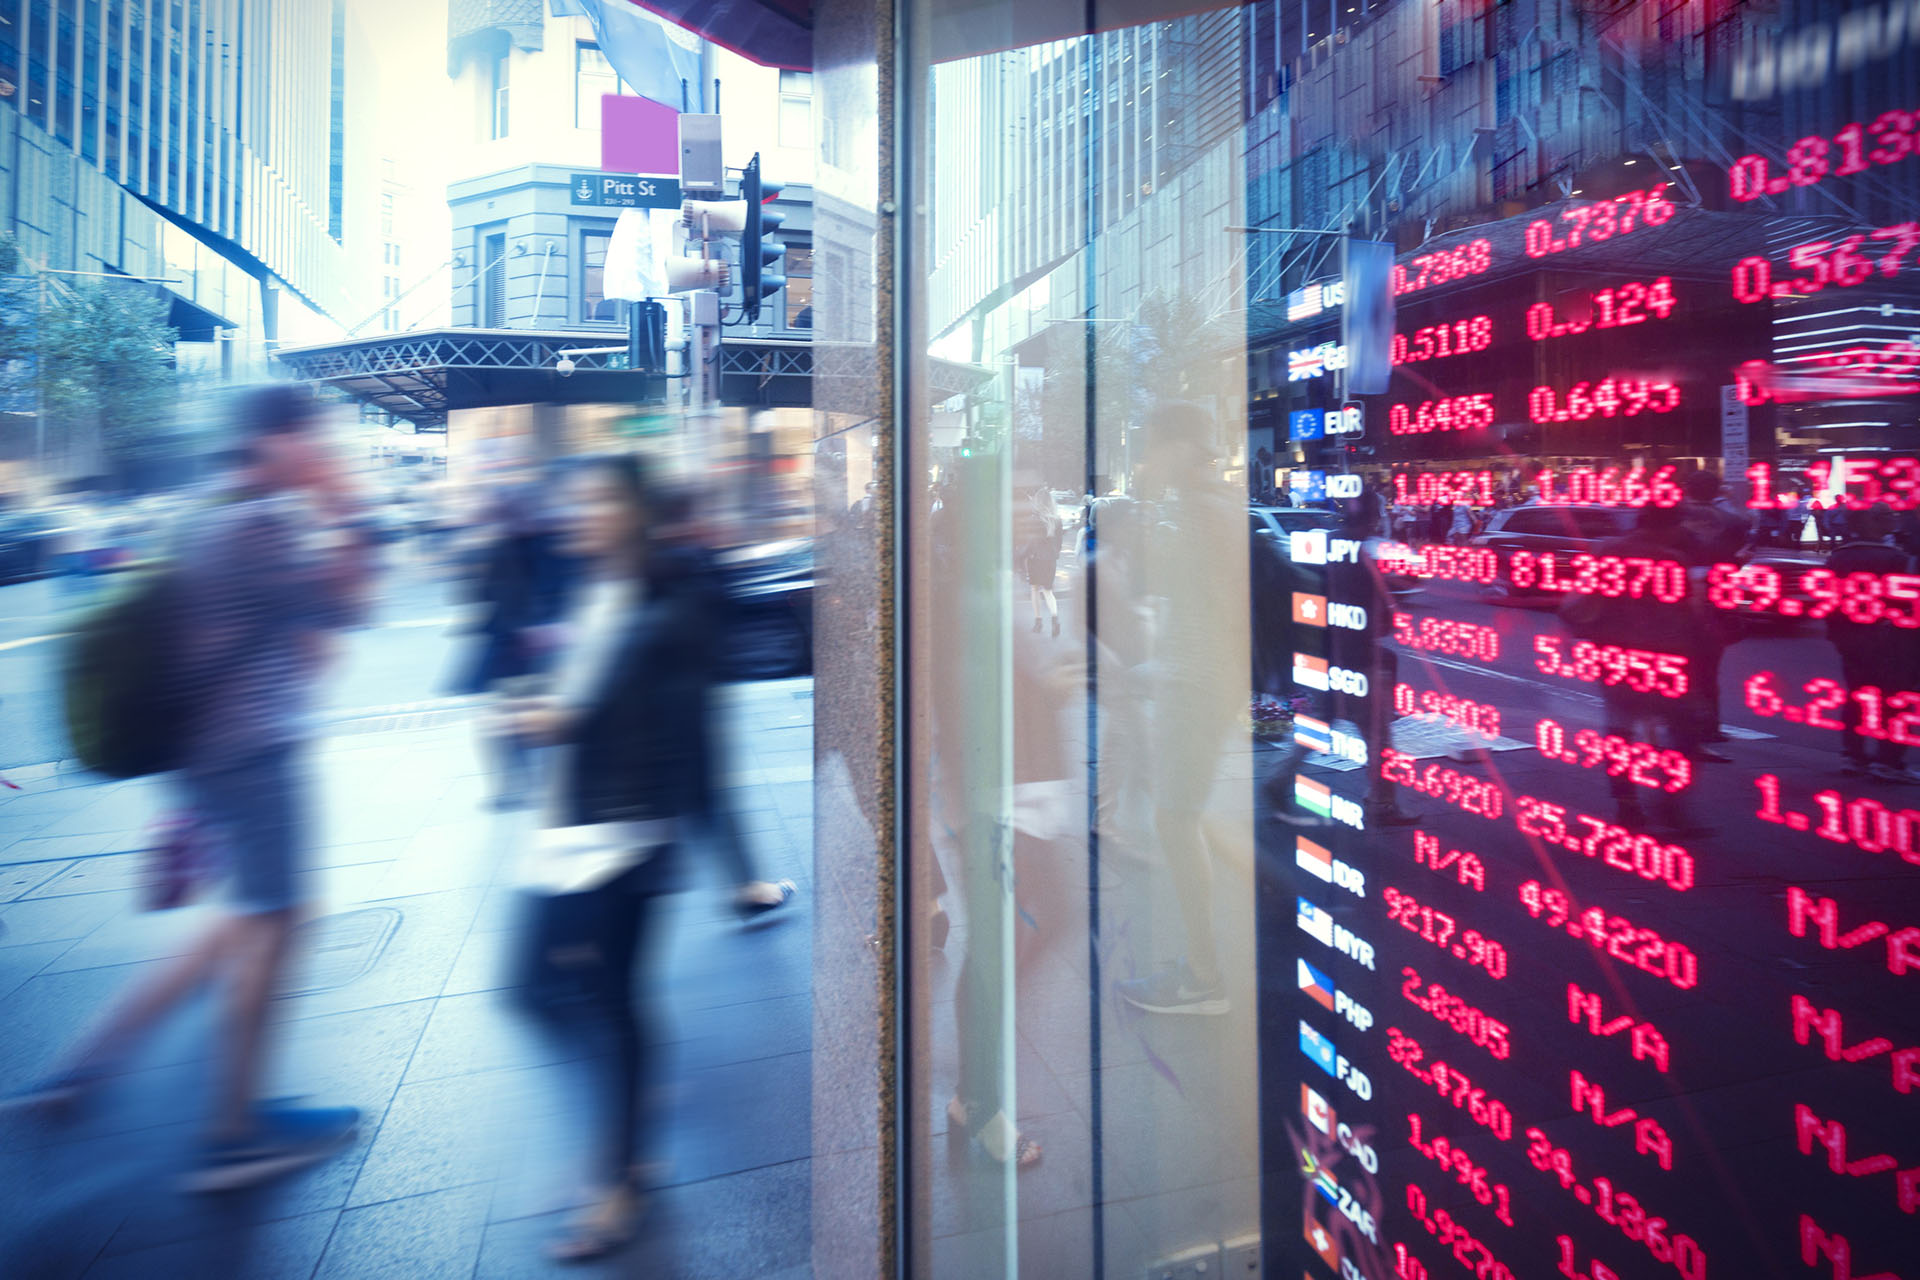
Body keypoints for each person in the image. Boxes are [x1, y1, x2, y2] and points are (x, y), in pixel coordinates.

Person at [13, 383, 373, 1191]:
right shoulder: (256, 526)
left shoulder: (211, 512)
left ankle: (83, 1069)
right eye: (316, 438)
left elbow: (279, 640)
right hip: (252, 759)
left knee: (238, 925)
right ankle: (235, 1129)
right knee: (274, 925)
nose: (325, 451)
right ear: (278, 442)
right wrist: (348, 506)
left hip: (212, 759)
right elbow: (351, 607)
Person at [503, 455, 724, 1261]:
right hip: (566, 828)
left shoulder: (662, 600)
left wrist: (543, 720)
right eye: (574, 497)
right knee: (537, 992)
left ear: (633, 512)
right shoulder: (593, 590)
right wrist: (539, 710)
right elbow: (576, 694)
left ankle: (619, 1171)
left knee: (601, 1000)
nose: (578, 511)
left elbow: (675, 728)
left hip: (619, 840)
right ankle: (623, 1137)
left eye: (596, 498)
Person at [457, 478, 573, 807]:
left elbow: (560, 593)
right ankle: (516, 785)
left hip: (536, 646)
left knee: (520, 717)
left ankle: (523, 785)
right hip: (513, 647)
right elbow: (479, 595)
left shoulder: (542, 545)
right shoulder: (505, 547)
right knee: (508, 718)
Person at [1827, 503, 1919, 783]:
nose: (1894, 521)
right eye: (1888, 517)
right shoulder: (1896, 558)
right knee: (1894, 700)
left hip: (1849, 636)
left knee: (1856, 695)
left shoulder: (1837, 557)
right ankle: (1888, 761)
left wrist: (1837, 634)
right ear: (1875, 522)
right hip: (1888, 638)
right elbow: (1905, 602)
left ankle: (1853, 756)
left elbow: (1830, 601)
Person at [1020, 484, 1064, 637]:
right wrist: (1054, 555)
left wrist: (1022, 556)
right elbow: (1059, 544)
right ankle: (1055, 618)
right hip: (1050, 560)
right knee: (1048, 591)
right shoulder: (1057, 520)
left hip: (1035, 560)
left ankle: (1038, 622)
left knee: (1034, 589)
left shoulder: (1034, 520)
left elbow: (1030, 542)